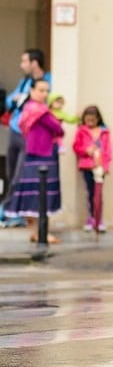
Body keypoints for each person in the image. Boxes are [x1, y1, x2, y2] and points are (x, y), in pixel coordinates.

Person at [6, 78, 63, 243]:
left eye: (47, 91)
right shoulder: (40, 111)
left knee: (34, 193)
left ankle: (35, 231)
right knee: (41, 194)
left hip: (34, 153)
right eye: (41, 90)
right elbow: (57, 128)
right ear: (31, 91)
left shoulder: (29, 109)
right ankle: (40, 232)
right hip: (43, 155)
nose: (44, 94)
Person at [1, 49, 50, 227]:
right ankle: (10, 210)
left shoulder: (47, 81)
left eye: (24, 61)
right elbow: (8, 101)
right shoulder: (24, 82)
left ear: (34, 63)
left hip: (30, 134)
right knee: (10, 172)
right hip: (15, 129)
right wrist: (16, 98)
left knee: (21, 175)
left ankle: (14, 212)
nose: (22, 65)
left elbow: (50, 105)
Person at [73, 105, 112, 232]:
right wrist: (86, 150)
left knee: (99, 193)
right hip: (87, 165)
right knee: (90, 192)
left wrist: (105, 165)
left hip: (100, 166)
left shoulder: (104, 132)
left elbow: (108, 150)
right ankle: (91, 218)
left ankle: (99, 219)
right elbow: (76, 147)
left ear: (98, 119)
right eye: (87, 120)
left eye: (93, 120)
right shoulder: (81, 131)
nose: (90, 123)